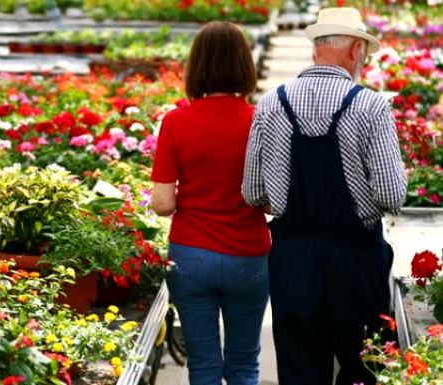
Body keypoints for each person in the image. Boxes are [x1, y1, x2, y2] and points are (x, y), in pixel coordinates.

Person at [242, 7, 407, 385]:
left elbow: (252, 191)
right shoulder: (371, 106)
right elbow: (392, 195)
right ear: (354, 50)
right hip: (356, 262)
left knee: (300, 370)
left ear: (317, 47)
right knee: (364, 368)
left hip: (293, 261)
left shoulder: (270, 104)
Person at [151, 22, 271, 385]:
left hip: (191, 254)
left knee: (202, 364)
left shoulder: (176, 122)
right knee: (245, 364)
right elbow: (273, 196)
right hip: (248, 254)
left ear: (196, 66)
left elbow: (161, 203)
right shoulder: (260, 120)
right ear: (244, 65)